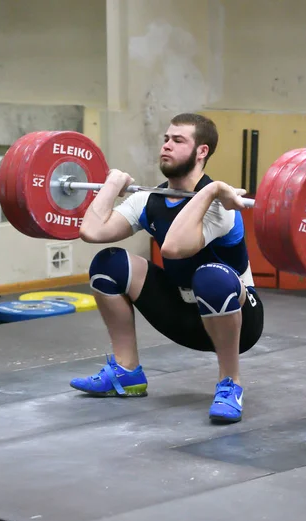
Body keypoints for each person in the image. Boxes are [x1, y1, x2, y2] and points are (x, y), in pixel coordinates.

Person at [70, 113, 264, 423]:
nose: (166, 146)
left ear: (202, 151)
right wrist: (113, 183)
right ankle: (127, 372)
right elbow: (91, 232)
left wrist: (211, 191)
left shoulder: (221, 207)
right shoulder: (149, 199)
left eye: (178, 140)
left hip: (238, 318)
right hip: (180, 311)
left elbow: (173, 247)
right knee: (108, 264)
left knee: (211, 276)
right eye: (165, 139)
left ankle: (230, 384)